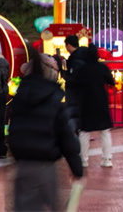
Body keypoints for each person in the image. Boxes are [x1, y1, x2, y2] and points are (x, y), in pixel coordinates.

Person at [9, 50, 83, 211]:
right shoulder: (53, 98)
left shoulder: (20, 97)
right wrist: (76, 167)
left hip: (22, 165)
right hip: (45, 165)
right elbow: (66, 137)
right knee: (54, 207)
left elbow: (13, 131)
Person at [67, 45, 115, 168]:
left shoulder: (83, 70)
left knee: (84, 132)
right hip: (101, 102)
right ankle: (107, 159)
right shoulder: (102, 68)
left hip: (86, 103)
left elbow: (74, 83)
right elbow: (111, 81)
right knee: (105, 132)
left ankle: (83, 160)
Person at [61, 35, 88, 131]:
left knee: (74, 113)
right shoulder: (83, 56)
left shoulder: (75, 59)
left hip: (74, 92)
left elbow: (73, 77)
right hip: (82, 91)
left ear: (68, 45)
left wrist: (65, 75)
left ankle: (77, 132)